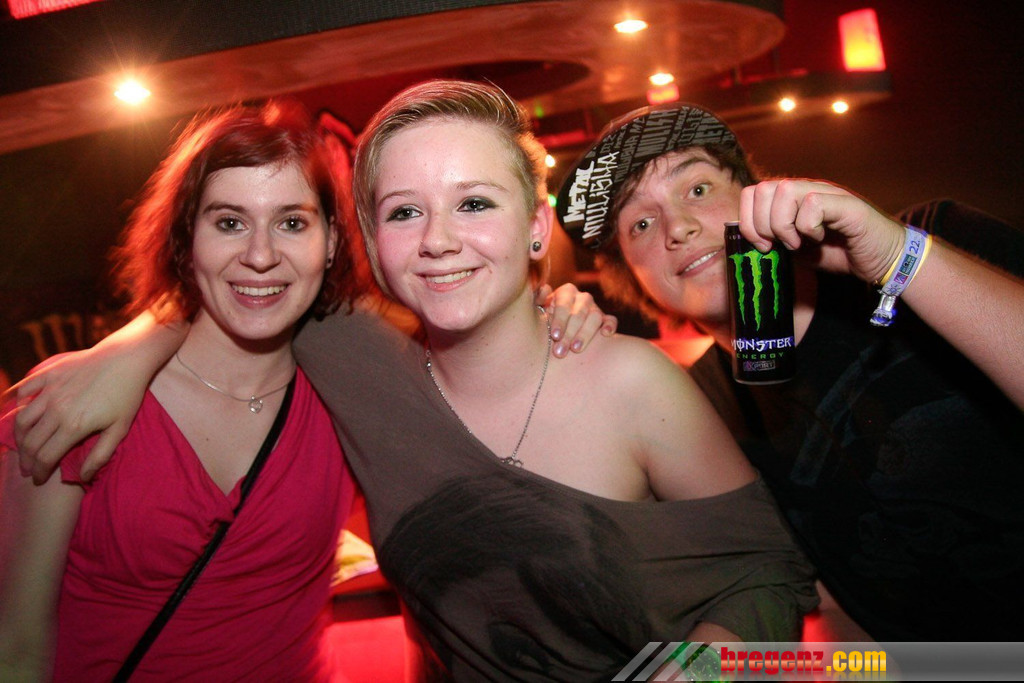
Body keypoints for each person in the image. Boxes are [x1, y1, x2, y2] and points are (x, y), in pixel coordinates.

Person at [5, 81, 819, 681]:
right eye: (403, 211)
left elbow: (772, 573)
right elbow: (247, 274)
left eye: (474, 204)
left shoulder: (634, 383)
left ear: (537, 228)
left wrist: (705, 667)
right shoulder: (355, 358)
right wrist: (129, 347)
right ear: (366, 242)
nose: (438, 240)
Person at [554, 102, 1024, 640]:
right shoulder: (692, 405)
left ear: (758, 194)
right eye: (640, 223)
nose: (678, 227)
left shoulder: (935, 237)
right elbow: (781, 588)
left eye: (698, 189)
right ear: (632, 278)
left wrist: (899, 260)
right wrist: (560, 354)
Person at [0, 100, 358, 680]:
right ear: (187, 237)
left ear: (332, 240)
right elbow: (16, 646)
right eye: (229, 222)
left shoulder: (354, 394)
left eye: (292, 223)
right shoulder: (75, 401)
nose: (261, 256)